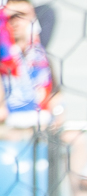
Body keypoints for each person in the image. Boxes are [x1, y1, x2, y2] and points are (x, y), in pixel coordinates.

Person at [2, 0, 57, 130]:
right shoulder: (3, 57)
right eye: (9, 17)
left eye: (21, 15)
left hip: (40, 124)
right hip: (9, 126)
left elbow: (56, 93)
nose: (15, 22)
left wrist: (57, 113)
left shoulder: (40, 56)